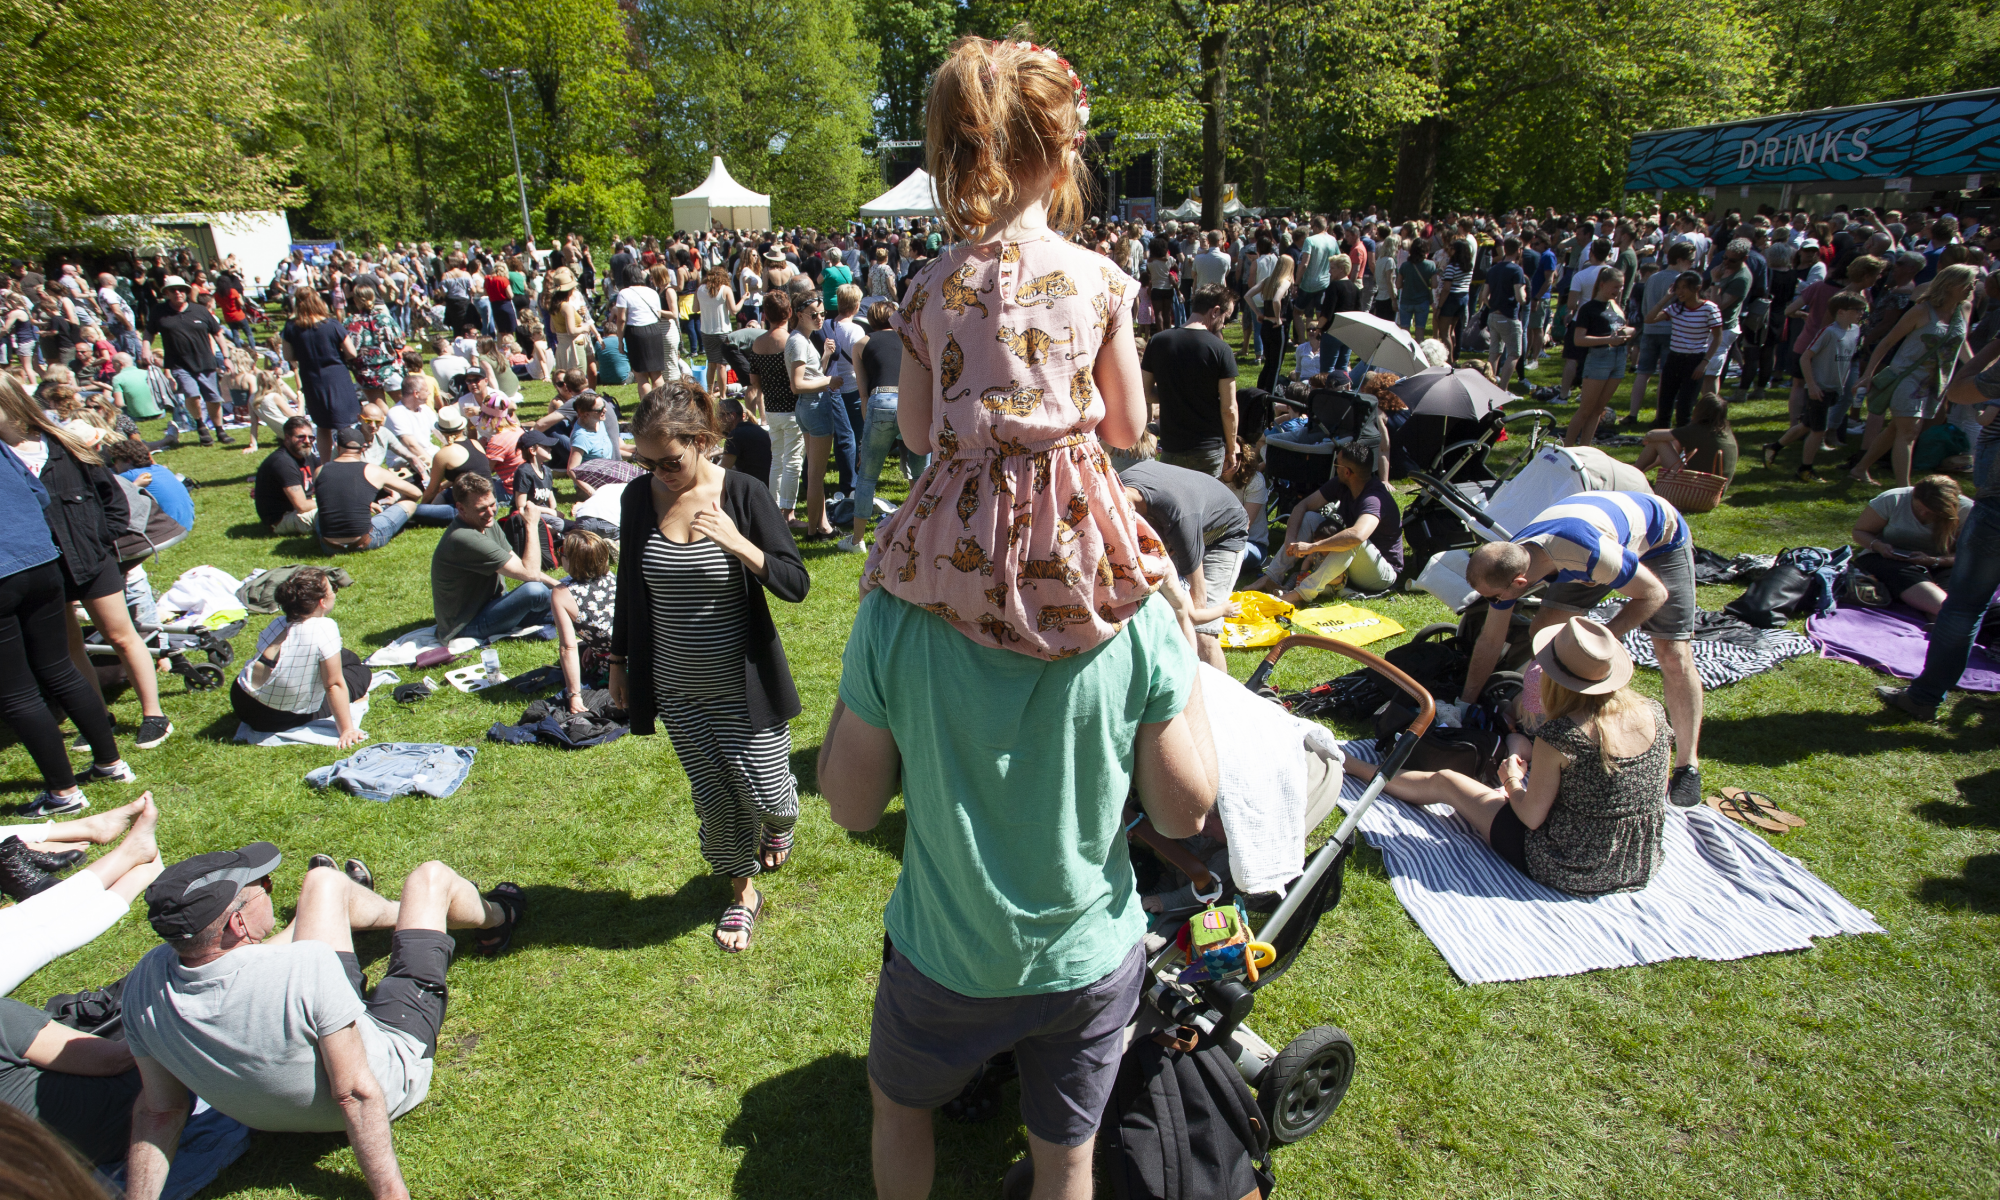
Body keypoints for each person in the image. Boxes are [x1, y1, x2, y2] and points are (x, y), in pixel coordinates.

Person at [121, 845, 522, 1200]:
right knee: (430, 878)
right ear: (237, 924)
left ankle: (409, 915)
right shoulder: (303, 967)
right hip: (388, 1074)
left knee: (323, 882)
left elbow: (160, 1111)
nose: (270, 889)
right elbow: (356, 1093)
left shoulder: (146, 981)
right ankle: (499, 915)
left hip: (268, 1117)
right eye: (264, 887)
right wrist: (391, 1194)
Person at [606, 379, 808, 953]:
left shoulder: (742, 494)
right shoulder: (637, 499)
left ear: (701, 441)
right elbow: (629, 588)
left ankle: (777, 825)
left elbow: (796, 582)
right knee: (714, 799)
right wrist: (619, 662)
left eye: (670, 461)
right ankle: (741, 891)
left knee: (770, 797)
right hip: (676, 687)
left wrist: (740, 545)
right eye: (646, 462)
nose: (659, 473)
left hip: (743, 689)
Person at [1346, 616, 1668, 895]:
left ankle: (1352, 765)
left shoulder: (1561, 736)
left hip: (1568, 865)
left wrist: (1511, 780)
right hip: (1637, 860)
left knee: (1446, 781)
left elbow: (1530, 816)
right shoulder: (1654, 712)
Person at [1460, 490, 1703, 807]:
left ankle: (1688, 765)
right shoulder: (1509, 560)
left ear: (1520, 584)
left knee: (1673, 656)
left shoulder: (1590, 555)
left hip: (1660, 538)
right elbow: (1490, 640)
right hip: (1580, 544)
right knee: (1544, 636)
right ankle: (1553, 731)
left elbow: (1654, 595)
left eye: (1494, 598)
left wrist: (1598, 641)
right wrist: (1464, 703)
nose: (1494, 604)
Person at [0, 420, 135, 817]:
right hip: (42, 562)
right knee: (60, 668)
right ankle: (110, 764)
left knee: (17, 692)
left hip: (6, 572)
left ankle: (64, 792)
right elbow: (38, 495)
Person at [1852, 264, 1976, 488]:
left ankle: (1859, 469)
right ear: (1951, 285)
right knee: (1909, 432)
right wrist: (1868, 373)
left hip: (1936, 383)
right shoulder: (1921, 311)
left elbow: (1961, 344)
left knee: (1895, 429)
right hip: (1908, 378)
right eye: (1969, 283)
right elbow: (1888, 341)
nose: (1973, 287)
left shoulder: (1964, 308)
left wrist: (1977, 369)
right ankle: (1904, 488)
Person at [1121, 459, 1251, 671]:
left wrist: (1218, 610)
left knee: (1203, 633)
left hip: (1223, 532)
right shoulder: (1114, 489)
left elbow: (1196, 610)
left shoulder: (1180, 521)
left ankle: (1214, 697)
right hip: (1186, 518)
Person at [229, 567, 371, 744]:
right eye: (332, 590)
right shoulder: (323, 628)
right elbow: (333, 684)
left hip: (242, 701)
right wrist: (347, 729)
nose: (335, 593)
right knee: (361, 674)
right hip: (275, 717)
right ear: (322, 602)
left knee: (345, 656)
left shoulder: (279, 622)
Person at [1254, 444, 1402, 602]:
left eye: (1336, 465)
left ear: (1347, 472)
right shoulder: (1341, 484)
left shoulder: (1374, 499)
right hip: (1349, 563)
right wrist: (1290, 538)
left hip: (1381, 574)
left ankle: (1300, 594)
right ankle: (1271, 576)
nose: (1335, 469)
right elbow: (1302, 506)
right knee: (1309, 517)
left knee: (1350, 540)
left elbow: (1357, 536)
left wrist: (1313, 547)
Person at [430, 473, 558, 643]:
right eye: (481, 508)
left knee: (566, 590)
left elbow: (519, 565)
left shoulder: (485, 522)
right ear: (461, 508)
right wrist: (532, 524)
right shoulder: (463, 537)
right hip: (466, 625)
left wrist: (563, 587)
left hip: (494, 606)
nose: (490, 512)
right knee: (535, 591)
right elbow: (531, 575)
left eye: (492, 504)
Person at [1763, 292, 1865, 480]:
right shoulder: (1829, 332)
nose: (1861, 313)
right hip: (1820, 389)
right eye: (1857, 310)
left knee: (1806, 425)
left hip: (1834, 388)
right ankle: (1805, 469)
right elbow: (1805, 358)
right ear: (1841, 312)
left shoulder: (1855, 330)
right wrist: (1812, 385)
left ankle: (1773, 447)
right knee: (1818, 431)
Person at [1143, 283, 1240, 477]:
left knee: (1173, 506)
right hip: (1207, 448)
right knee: (1204, 505)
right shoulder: (1221, 349)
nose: (1224, 324)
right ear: (1215, 311)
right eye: (1225, 318)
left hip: (1172, 446)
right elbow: (1229, 409)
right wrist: (1232, 446)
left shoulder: (1158, 342)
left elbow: (1145, 393)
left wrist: (1174, 394)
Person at [841, 300, 912, 551]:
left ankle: (857, 540)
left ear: (870, 320)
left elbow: (863, 395)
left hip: (880, 400)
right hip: (909, 402)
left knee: (867, 476)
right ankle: (916, 533)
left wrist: (865, 439)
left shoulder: (861, 344)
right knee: (919, 477)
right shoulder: (909, 339)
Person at [1848, 476, 1969, 617]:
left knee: (1955, 579)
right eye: (1919, 508)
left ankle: (1942, 617)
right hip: (1886, 559)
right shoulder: (1893, 499)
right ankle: (1948, 614)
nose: (1923, 514)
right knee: (1903, 575)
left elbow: (1969, 556)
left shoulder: (1967, 511)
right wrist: (1879, 546)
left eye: (1932, 512)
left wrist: (1935, 561)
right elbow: (1860, 532)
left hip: (1941, 563)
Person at [282, 289, 362, 464]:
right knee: (345, 424)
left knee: (322, 425)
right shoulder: (332, 324)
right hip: (336, 376)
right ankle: (350, 461)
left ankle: (325, 464)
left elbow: (288, 355)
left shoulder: (291, 327)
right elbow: (351, 351)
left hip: (312, 378)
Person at [315, 426, 422, 554]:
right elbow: (416, 493)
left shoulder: (320, 471)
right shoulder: (373, 470)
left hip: (329, 546)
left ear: (338, 447)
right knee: (409, 504)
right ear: (363, 449)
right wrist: (394, 505)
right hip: (364, 542)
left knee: (318, 515)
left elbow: (332, 500)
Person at [747, 291, 805, 522]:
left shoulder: (758, 343)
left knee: (777, 459)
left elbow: (754, 382)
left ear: (765, 314)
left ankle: (774, 511)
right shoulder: (792, 341)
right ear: (789, 312)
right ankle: (788, 514)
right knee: (792, 462)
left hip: (771, 409)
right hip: (793, 409)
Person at [154, 275, 231, 445]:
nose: (177, 293)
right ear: (166, 293)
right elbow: (148, 333)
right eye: (173, 290)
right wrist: (146, 349)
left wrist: (226, 357)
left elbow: (217, 333)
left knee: (213, 398)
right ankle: (201, 425)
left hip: (205, 361)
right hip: (179, 363)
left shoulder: (200, 310)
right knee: (192, 395)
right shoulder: (159, 312)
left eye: (181, 289)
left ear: (186, 291)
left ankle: (220, 430)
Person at [1645, 270, 1721, 430]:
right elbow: (1649, 319)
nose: (1680, 292)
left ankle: (1682, 446)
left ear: (1697, 288)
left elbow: (1717, 337)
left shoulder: (1709, 308)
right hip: (1674, 359)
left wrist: (1704, 363)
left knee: (1685, 407)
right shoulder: (1675, 308)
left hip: (1694, 360)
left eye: (1684, 287)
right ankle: (1661, 442)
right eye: (1677, 288)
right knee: (1665, 404)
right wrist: (1666, 297)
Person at [552, 528, 618, 713]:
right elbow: (610, 619)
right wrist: (594, 643)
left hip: (617, 668)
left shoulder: (562, 593)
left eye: (561, 553)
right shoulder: (611, 578)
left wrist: (574, 695)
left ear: (569, 560)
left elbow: (568, 647)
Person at [1565, 268, 1634, 445]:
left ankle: (1585, 448)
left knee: (1598, 409)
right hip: (1599, 358)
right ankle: (1567, 447)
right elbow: (1579, 339)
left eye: (1621, 287)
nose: (1618, 291)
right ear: (1602, 285)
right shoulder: (1588, 308)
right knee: (1585, 409)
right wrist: (1608, 339)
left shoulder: (1616, 306)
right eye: (1615, 287)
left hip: (1619, 358)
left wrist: (1628, 331)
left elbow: (1628, 327)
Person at [413, 405, 495, 523]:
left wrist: (422, 509)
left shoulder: (443, 454)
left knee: (408, 509)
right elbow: (471, 473)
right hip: (492, 504)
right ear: (462, 428)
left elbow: (432, 489)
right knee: (445, 493)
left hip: (472, 511)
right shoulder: (475, 443)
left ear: (441, 431)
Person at [1636, 394, 1738, 482]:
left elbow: (1651, 435)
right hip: (1716, 488)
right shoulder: (1725, 431)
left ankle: (1633, 473)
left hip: (1697, 487)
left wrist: (1649, 439)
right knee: (1673, 443)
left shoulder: (1698, 430)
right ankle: (1637, 471)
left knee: (1659, 442)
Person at [254, 416, 321, 536]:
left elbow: (325, 478)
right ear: (287, 438)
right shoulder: (283, 462)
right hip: (282, 519)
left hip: (301, 508)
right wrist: (331, 501)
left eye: (311, 437)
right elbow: (302, 506)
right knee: (335, 512)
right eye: (301, 437)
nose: (307, 441)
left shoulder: (307, 455)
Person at [1486, 236, 1529, 386]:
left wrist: (1493, 304)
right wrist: (1525, 295)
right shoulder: (1517, 270)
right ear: (1519, 250)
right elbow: (1520, 297)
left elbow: (1483, 295)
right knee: (1514, 353)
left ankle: (1488, 385)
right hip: (1509, 316)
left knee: (1494, 353)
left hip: (1493, 316)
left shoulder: (1494, 269)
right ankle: (1502, 389)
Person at [719, 397, 772, 492]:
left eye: (721, 415)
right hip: (767, 481)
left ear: (732, 416)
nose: (718, 420)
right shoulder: (753, 428)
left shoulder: (735, 435)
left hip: (754, 486)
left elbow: (723, 469)